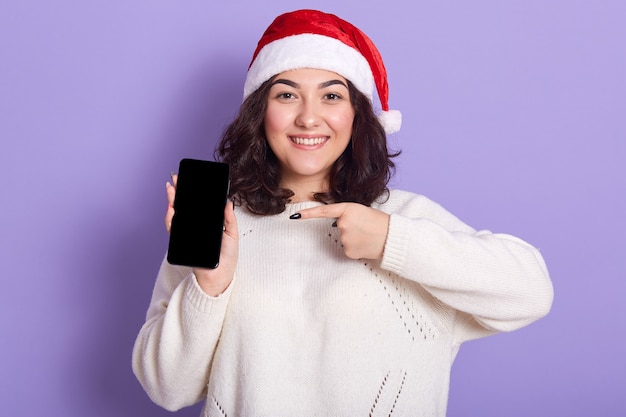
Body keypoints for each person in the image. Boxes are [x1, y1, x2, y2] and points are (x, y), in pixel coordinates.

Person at [132, 9, 553, 416]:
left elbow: (531, 292)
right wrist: (209, 285)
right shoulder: (219, 230)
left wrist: (393, 241)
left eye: (331, 95)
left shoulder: (404, 218)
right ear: (261, 114)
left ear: (358, 114)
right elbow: (167, 390)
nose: (309, 117)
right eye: (286, 94)